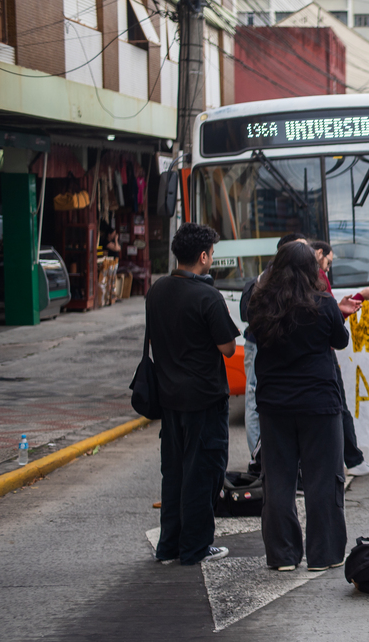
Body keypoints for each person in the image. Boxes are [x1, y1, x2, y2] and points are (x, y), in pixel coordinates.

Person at [249, 241, 362, 571]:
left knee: (279, 481)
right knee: (322, 479)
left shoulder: (260, 301)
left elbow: (254, 336)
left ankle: (283, 555)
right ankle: (323, 554)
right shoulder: (323, 302)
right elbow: (339, 340)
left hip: (274, 404)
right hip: (318, 402)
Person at [147, 223, 240, 565]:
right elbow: (228, 348)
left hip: (169, 398)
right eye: (212, 254)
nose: (212, 260)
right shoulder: (207, 296)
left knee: (173, 475)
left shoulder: (157, 290)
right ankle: (196, 547)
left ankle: (168, 546)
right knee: (202, 474)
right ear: (203, 256)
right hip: (204, 399)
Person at [310, 240, 369, 477]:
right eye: (328, 262)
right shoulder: (317, 279)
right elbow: (334, 327)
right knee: (339, 406)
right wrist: (358, 297)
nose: (328, 269)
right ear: (319, 254)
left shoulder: (283, 286)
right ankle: (353, 459)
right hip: (324, 355)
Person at [241, 232, 310, 468]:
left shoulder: (297, 279)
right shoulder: (265, 279)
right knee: (254, 398)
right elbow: (247, 315)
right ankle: (258, 457)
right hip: (258, 346)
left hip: (270, 349)